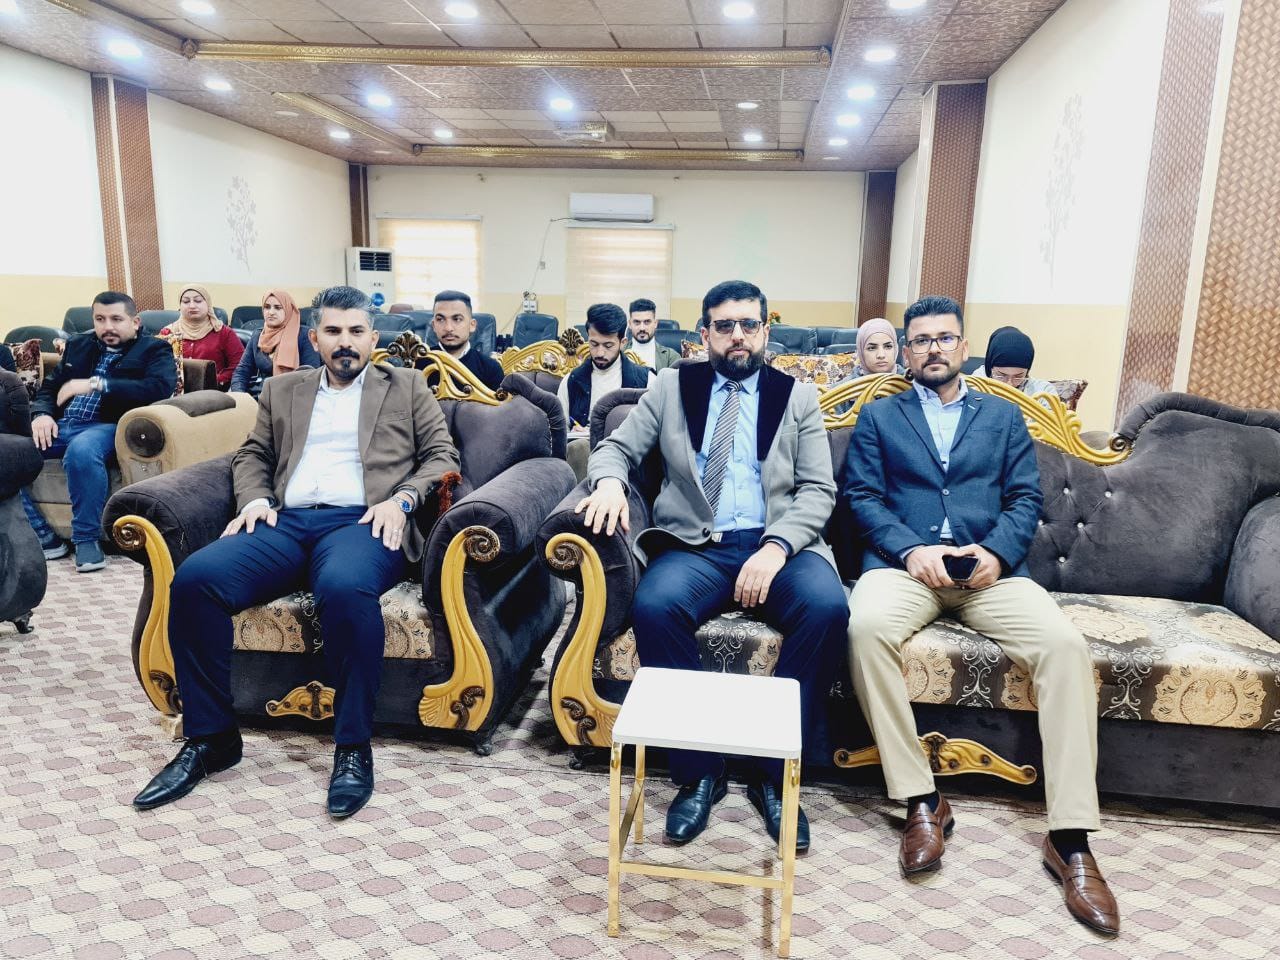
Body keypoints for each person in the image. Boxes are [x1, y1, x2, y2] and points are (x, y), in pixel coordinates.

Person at [844, 295, 1118, 935]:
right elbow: (862, 497)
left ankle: (1070, 837)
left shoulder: (1001, 416)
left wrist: (994, 553)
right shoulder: (880, 417)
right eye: (921, 340)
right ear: (906, 352)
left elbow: (1025, 498)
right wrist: (911, 551)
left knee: (1064, 646)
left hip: (989, 573)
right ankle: (921, 799)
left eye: (945, 338)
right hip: (906, 569)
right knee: (864, 629)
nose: (933, 349)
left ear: (964, 348)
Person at [131, 285, 460, 820]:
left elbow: (442, 456)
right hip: (285, 521)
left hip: (363, 520)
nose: (345, 341)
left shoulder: (405, 386)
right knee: (195, 581)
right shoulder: (283, 389)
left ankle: (352, 747)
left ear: (373, 338)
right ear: (314, 338)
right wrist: (255, 499)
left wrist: (402, 500)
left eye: (356, 331)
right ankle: (212, 739)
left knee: (344, 589)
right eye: (333, 331)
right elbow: (253, 454)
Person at [576, 280, 849, 853]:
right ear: (705, 334)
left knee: (827, 608)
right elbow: (615, 448)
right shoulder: (672, 387)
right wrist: (609, 484)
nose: (738, 335)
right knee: (655, 606)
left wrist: (776, 548)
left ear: (765, 331)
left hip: (776, 545)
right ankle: (699, 772)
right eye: (725, 326)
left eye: (749, 324)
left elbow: (818, 490)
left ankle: (776, 776)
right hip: (697, 546)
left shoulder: (796, 397)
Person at [20, 292, 177, 571]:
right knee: (7, 452)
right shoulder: (79, 344)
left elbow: (157, 388)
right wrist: (41, 414)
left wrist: (97, 384)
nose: (108, 327)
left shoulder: (155, 349)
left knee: (82, 450)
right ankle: (43, 536)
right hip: (63, 425)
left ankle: (86, 539)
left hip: (109, 425)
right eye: (100, 319)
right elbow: (51, 387)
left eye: (116, 319)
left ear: (135, 322)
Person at [558, 304, 649, 480]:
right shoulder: (571, 381)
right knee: (579, 448)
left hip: (628, 462)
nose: (600, 353)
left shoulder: (645, 380)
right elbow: (559, 437)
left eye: (608, 345)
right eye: (594, 344)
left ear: (623, 343)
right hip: (583, 460)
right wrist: (573, 435)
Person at [229, 289, 320, 397]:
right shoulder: (258, 335)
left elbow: (311, 376)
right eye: (267, 307)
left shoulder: (305, 335)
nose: (271, 312)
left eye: (278, 307)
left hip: (294, 397)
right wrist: (240, 396)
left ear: (288, 309)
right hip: (261, 395)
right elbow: (242, 371)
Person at [160, 285, 244, 389]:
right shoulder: (168, 333)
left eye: (198, 301)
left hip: (212, 392)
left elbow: (239, 366)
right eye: (186, 301)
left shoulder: (224, 333)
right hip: (176, 392)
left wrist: (215, 381)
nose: (192, 306)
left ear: (208, 304)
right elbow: (158, 366)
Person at [430, 290, 504, 391]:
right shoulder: (417, 364)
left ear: (472, 325)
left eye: (457, 319)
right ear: (434, 326)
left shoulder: (491, 369)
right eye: (440, 319)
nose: (448, 328)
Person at [980, 326, 1055, 397]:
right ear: (990, 368)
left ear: (1027, 372)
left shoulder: (1044, 391)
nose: (1009, 385)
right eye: (1001, 376)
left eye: (1018, 377)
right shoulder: (977, 383)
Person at [626, 297, 679, 373]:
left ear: (655, 323)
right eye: (637, 322)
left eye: (647, 322)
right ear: (630, 324)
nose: (642, 328)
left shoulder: (671, 357)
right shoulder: (619, 353)